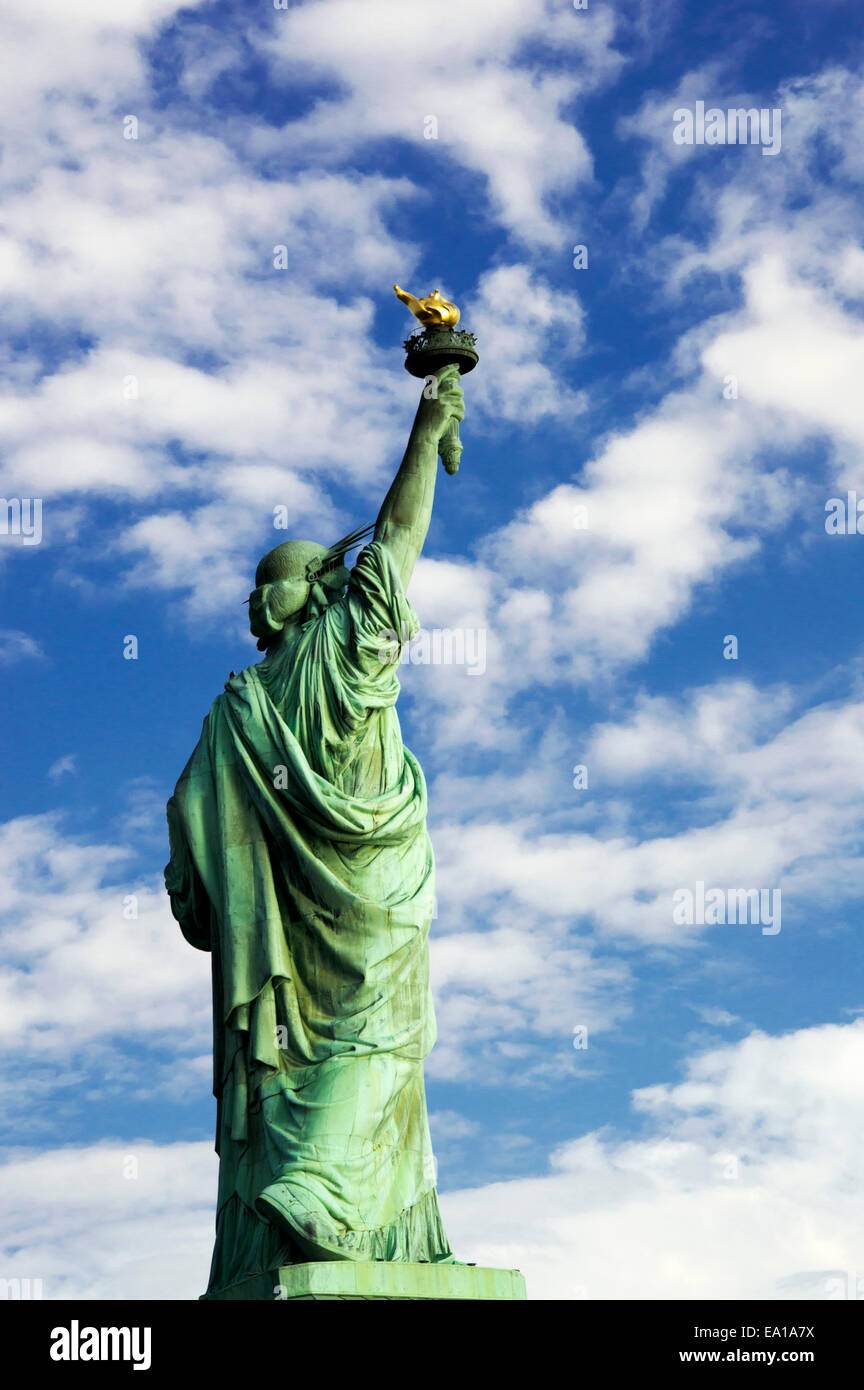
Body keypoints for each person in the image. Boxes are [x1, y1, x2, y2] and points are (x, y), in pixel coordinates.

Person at [165, 365, 465, 1294]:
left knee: (327, 1057)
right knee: (376, 1043)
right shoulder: (303, 670)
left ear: (290, 598)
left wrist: (426, 424)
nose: (257, 600)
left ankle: (337, 1208)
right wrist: (429, 423)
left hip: (300, 919)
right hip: (368, 898)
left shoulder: (258, 698)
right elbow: (403, 534)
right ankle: (324, 1196)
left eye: (266, 585)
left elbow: (186, 825)